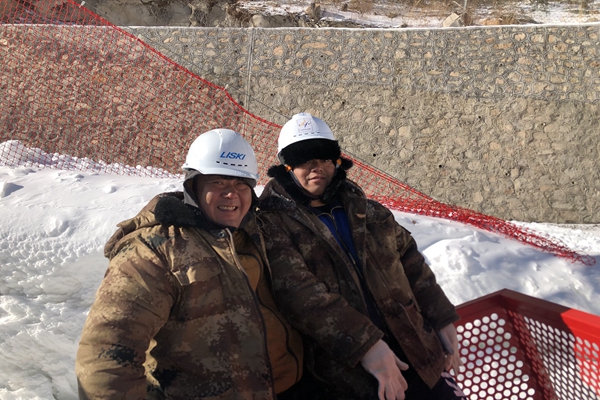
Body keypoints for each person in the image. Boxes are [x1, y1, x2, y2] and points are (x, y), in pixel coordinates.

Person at [75, 129, 303, 400]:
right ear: (193, 186)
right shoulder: (154, 250)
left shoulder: (255, 232)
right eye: (218, 182)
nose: (231, 194)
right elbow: (106, 356)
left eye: (241, 184)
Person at [257, 113, 466, 400]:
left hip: (419, 357)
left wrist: (441, 316)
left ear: (336, 161)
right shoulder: (272, 225)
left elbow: (412, 265)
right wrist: (366, 345)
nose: (316, 167)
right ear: (286, 167)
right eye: (303, 159)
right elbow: (301, 296)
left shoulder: (370, 213)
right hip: (350, 376)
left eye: (324, 157)